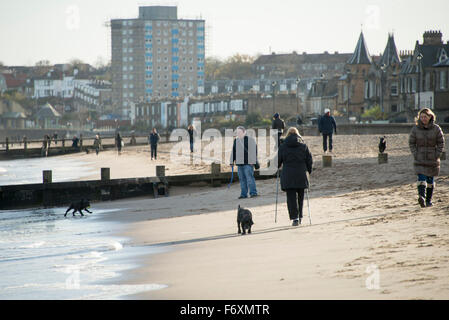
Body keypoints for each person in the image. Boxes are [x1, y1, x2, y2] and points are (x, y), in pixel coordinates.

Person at [409, 108, 445, 208]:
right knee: (421, 178)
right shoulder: (415, 129)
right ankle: (421, 197)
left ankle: (428, 200)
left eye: (425, 117)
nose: (423, 119)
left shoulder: (436, 128)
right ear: (419, 118)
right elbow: (411, 142)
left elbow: (441, 142)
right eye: (421, 117)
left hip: (432, 158)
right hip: (419, 157)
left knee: (430, 180)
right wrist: (415, 153)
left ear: (430, 117)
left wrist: (437, 154)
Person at [278, 127, 313, 226]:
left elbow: (278, 161)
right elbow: (309, 160)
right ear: (298, 134)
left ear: (287, 135)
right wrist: (308, 171)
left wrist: (277, 166)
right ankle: (300, 216)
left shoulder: (283, 146)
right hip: (301, 174)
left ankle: (295, 218)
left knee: (291, 198)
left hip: (288, 175)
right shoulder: (303, 146)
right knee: (300, 197)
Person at [230, 126, 258, 199]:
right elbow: (233, 151)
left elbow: (254, 151)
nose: (238, 134)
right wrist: (231, 161)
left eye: (239, 132)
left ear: (244, 132)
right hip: (239, 164)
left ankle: (253, 193)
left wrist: (253, 161)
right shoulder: (236, 141)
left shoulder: (250, 140)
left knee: (249, 179)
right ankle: (243, 194)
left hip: (248, 163)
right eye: (237, 132)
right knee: (242, 180)